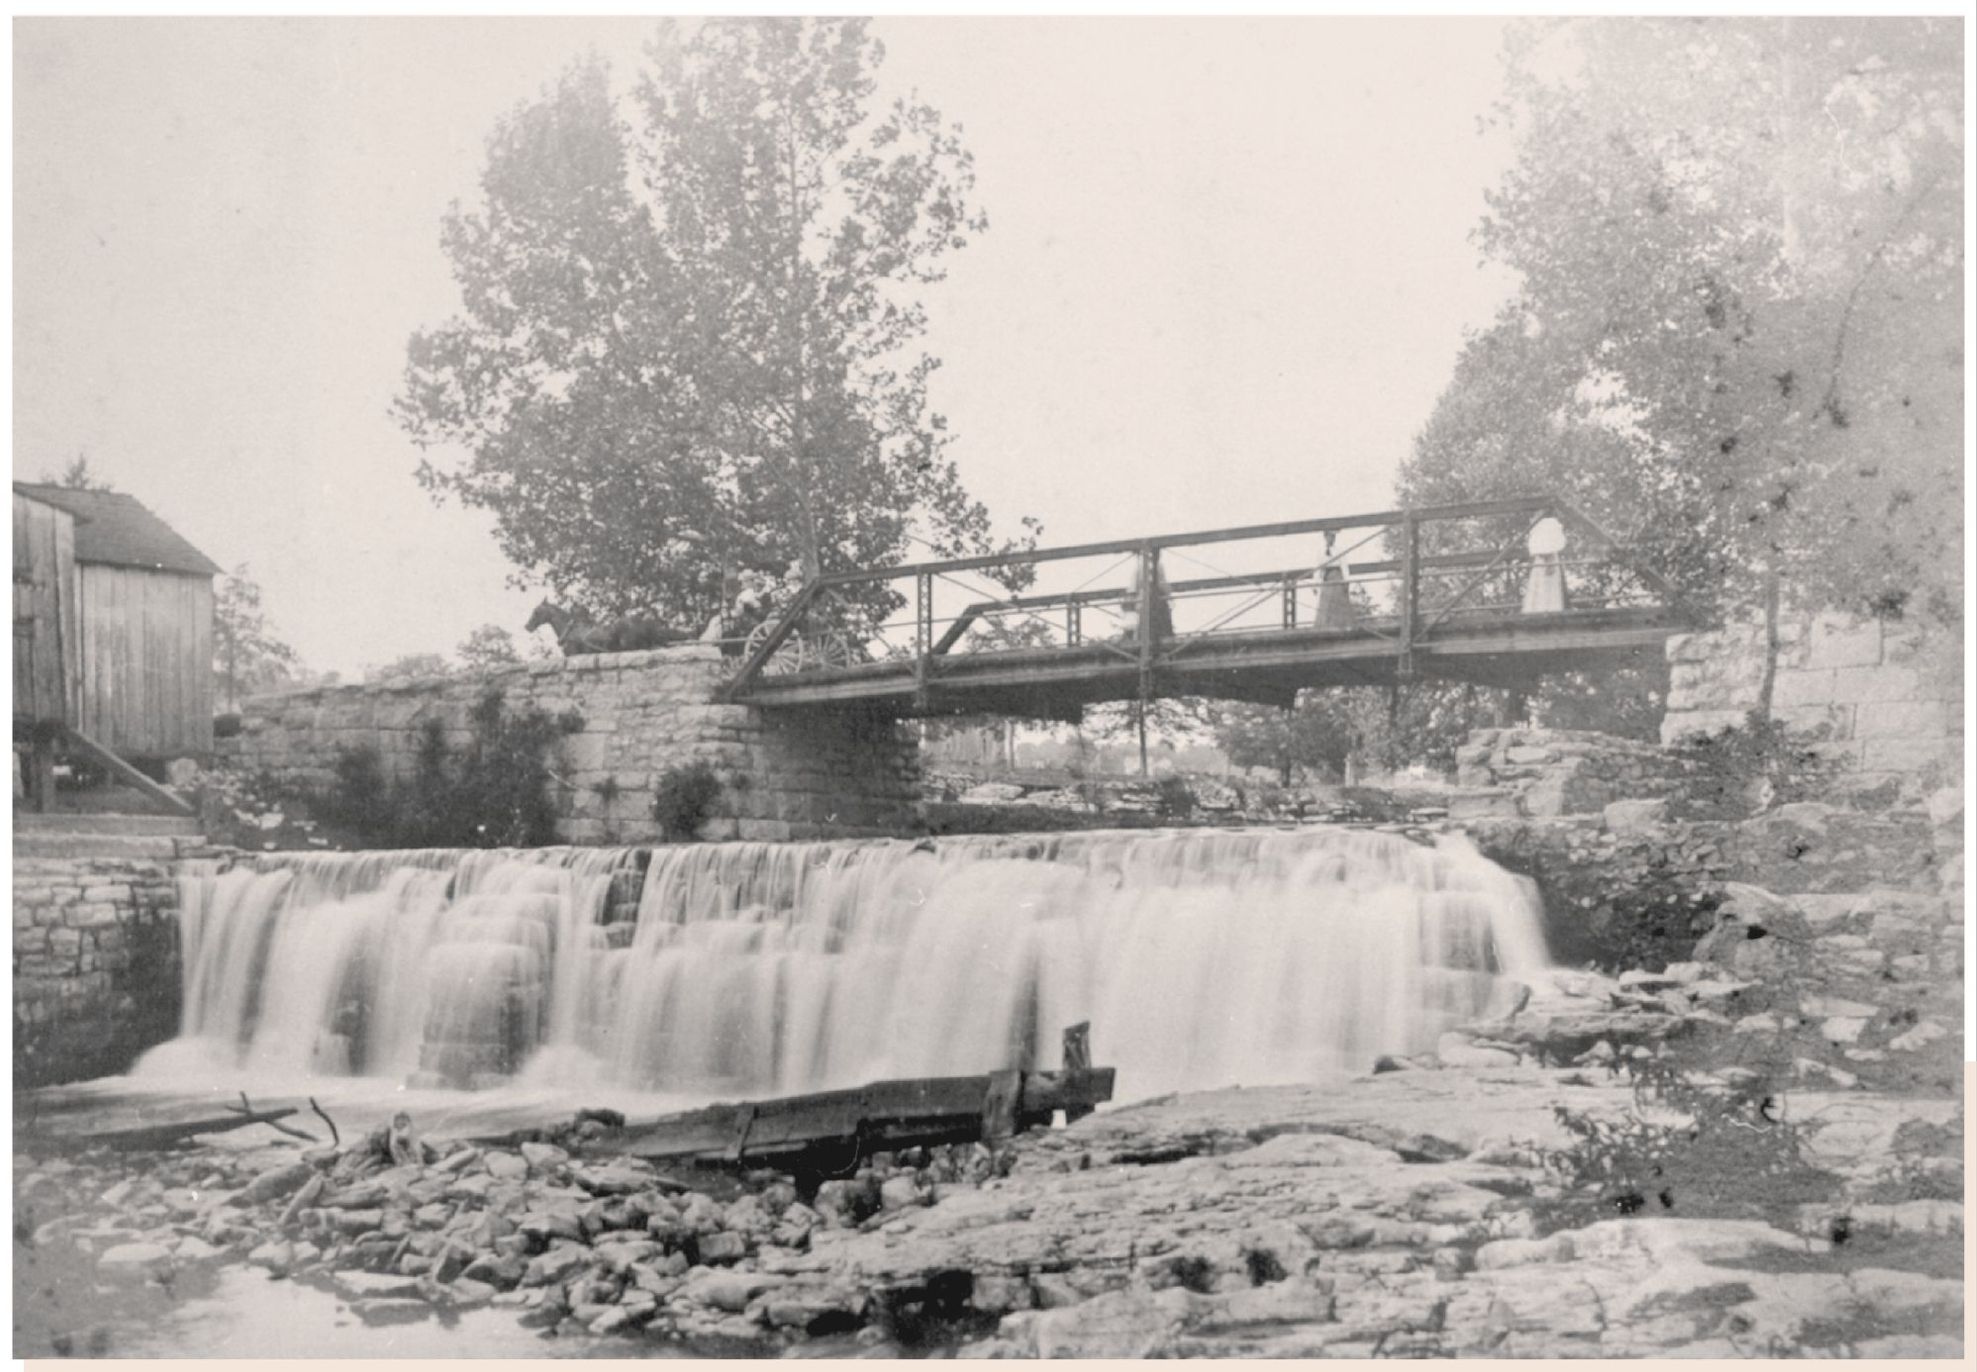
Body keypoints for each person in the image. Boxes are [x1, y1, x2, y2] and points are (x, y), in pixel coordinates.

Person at [1521, 516, 1568, 614]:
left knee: (1547, 586)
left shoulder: (1549, 522)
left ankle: (1548, 609)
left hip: (1548, 560)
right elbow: (1540, 546)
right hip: (1544, 561)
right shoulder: (1544, 522)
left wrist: (1549, 560)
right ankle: (1542, 609)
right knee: (1542, 586)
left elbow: (1550, 545)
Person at [1314, 529, 1353, 629]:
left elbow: (1344, 566)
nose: (1332, 539)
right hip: (1327, 580)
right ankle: (1325, 627)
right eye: (1330, 536)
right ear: (1325, 537)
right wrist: (1315, 584)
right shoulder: (1320, 551)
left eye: (1334, 537)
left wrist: (1346, 581)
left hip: (1337, 578)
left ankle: (1343, 626)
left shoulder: (1339, 550)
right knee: (1326, 603)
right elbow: (1318, 569)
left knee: (1339, 602)